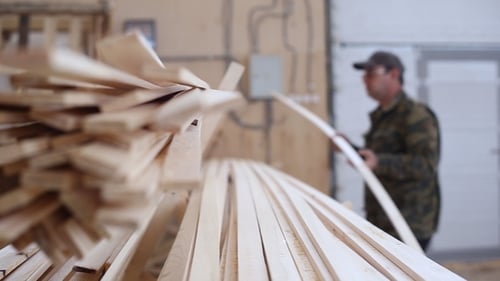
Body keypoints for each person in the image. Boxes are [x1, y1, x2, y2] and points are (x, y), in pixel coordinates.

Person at [350, 51, 441, 252]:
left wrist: (378, 162)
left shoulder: (415, 115)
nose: (365, 80)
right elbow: (378, 158)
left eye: (371, 74)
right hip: (382, 220)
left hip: (408, 224)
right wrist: (351, 149)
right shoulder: (382, 115)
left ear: (393, 74)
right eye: (364, 75)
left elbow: (425, 165)